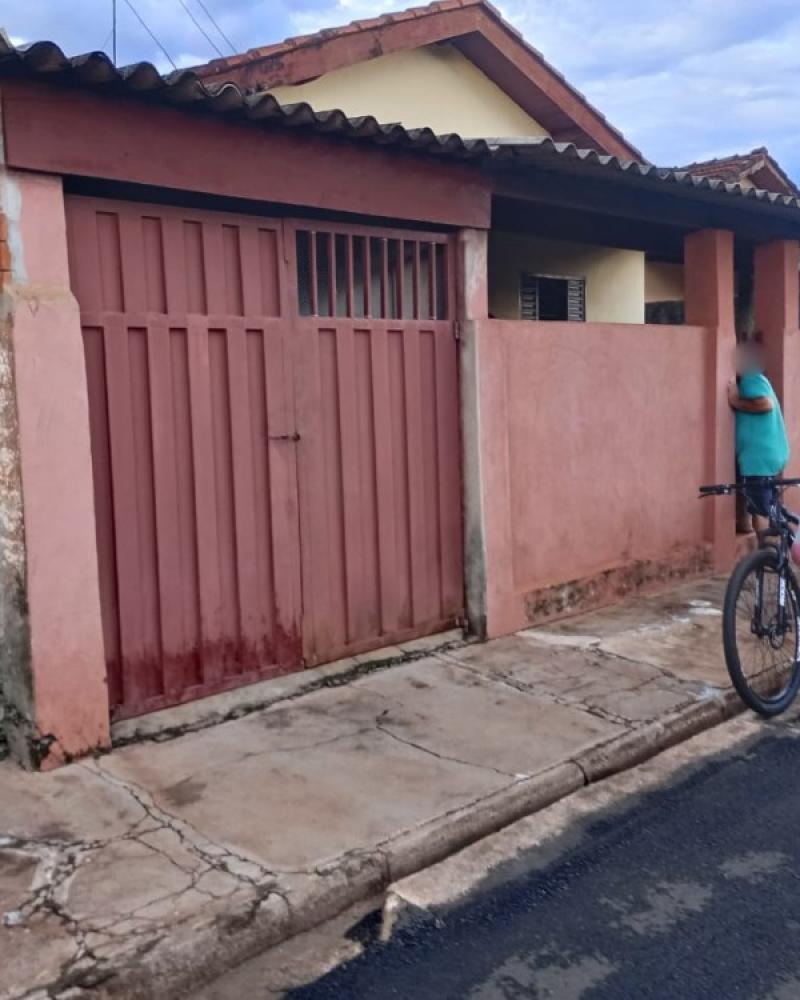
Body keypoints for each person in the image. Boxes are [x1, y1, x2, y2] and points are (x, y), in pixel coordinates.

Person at [728, 337, 790, 534]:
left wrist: (735, 402)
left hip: (758, 459)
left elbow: (765, 404)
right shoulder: (751, 379)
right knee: (765, 504)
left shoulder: (751, 377)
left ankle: (765, 554)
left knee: (760, 511)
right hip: (765, 456)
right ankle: (782, 545)